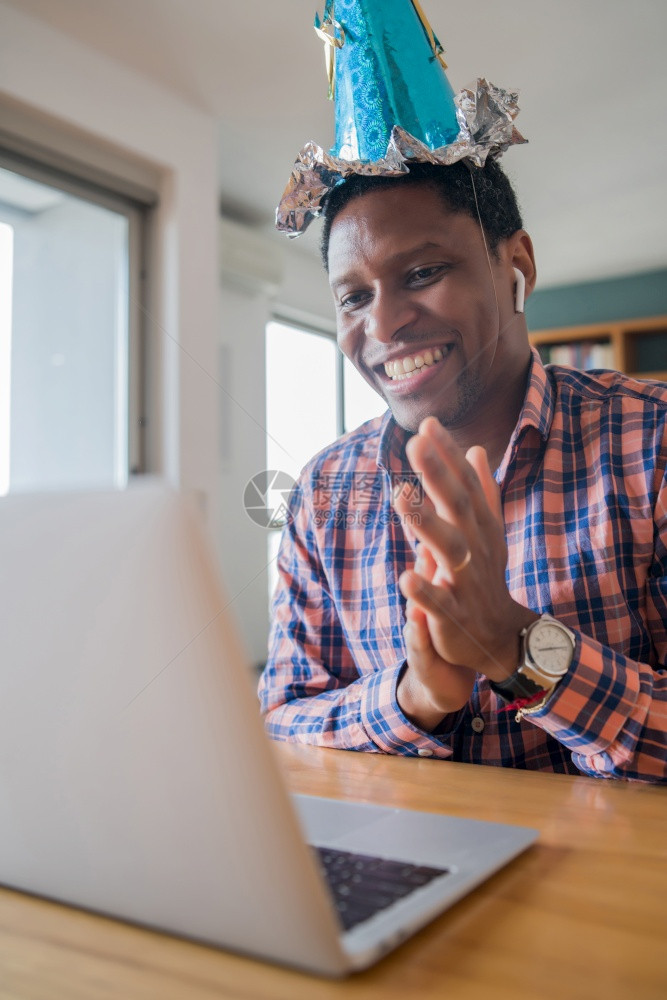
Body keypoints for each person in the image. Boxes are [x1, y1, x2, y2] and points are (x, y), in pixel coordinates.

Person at [259, 2, 667, 781]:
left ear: (517, 263)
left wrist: (518, 646)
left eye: (422, 273)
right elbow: (284, 717)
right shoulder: (323, 493)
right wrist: (417, 694)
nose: (383, 324)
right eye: (352, 297)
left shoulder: (648, 444)